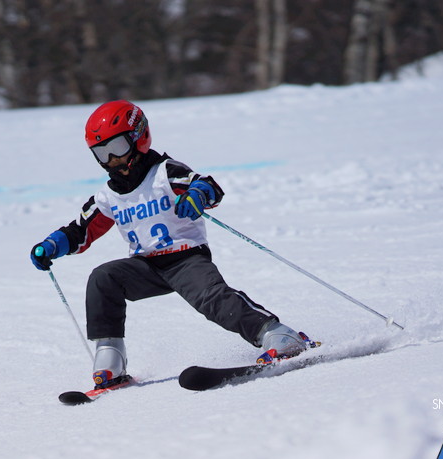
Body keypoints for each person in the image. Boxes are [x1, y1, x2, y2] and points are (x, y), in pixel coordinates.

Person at [31, 100, 307, 388]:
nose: (112, 159)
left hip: (185, 259)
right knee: (103, 278)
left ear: (138, 138)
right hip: (145, 267)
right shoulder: (108, 195)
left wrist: (198, 195)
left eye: (118, 149)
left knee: (211, 299)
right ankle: (110, 356)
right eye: (102, 153)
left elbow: (207, 186)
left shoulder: (165, 172)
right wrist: (52, 245)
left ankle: (277, 334)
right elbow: (80, 230)